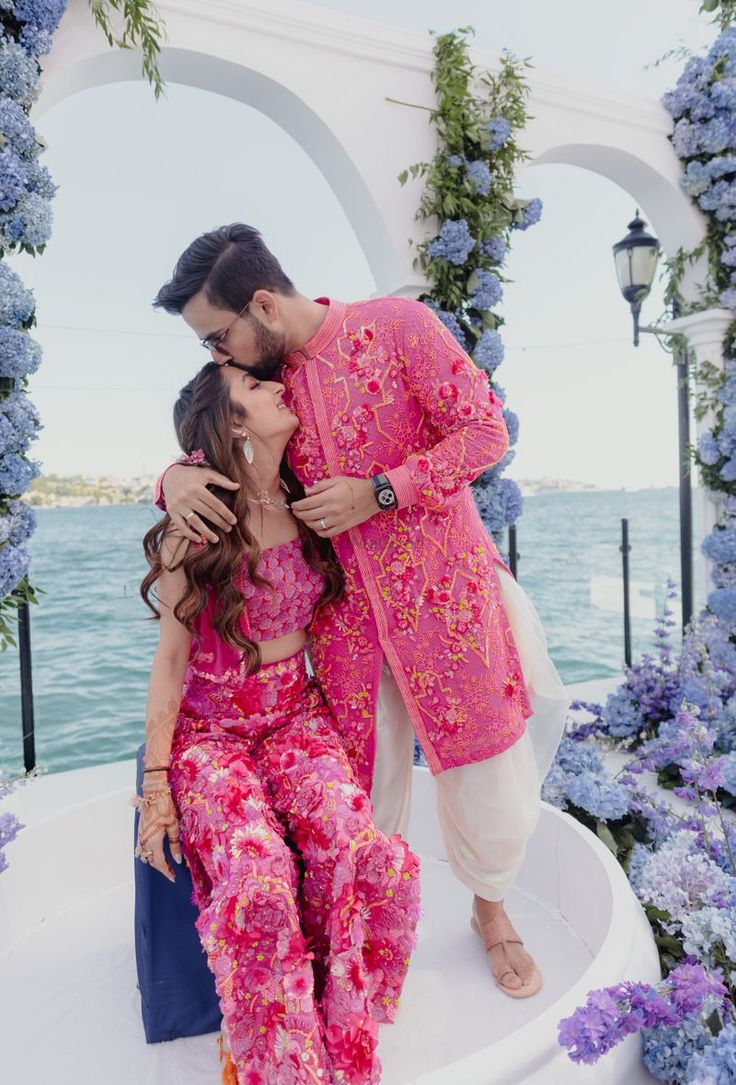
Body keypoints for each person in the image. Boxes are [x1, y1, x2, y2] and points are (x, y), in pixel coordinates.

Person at [151, 223, 572, 999]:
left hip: (446, 599)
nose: (217, 356)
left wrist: (380, 491)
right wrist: (174, 475)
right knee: (363, 793)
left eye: (219, 337)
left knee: (489, 782)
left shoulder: (396, 327)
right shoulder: (266, 393)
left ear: (264, 306)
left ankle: (491, 909)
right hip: (345, 628)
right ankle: (365, 937)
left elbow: (485, 432)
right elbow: (220, 444)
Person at [133, 359, 421, 1085]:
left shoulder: (310, 498)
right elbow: (169, 663)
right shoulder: (195, 529)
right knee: (257, 877)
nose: (274, 388)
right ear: (232, 424)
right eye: (255, 389)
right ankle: (277, 1065)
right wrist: (159, 788)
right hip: (211, 735)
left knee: (365, 851)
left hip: (298, 717)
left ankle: (345, 1029)